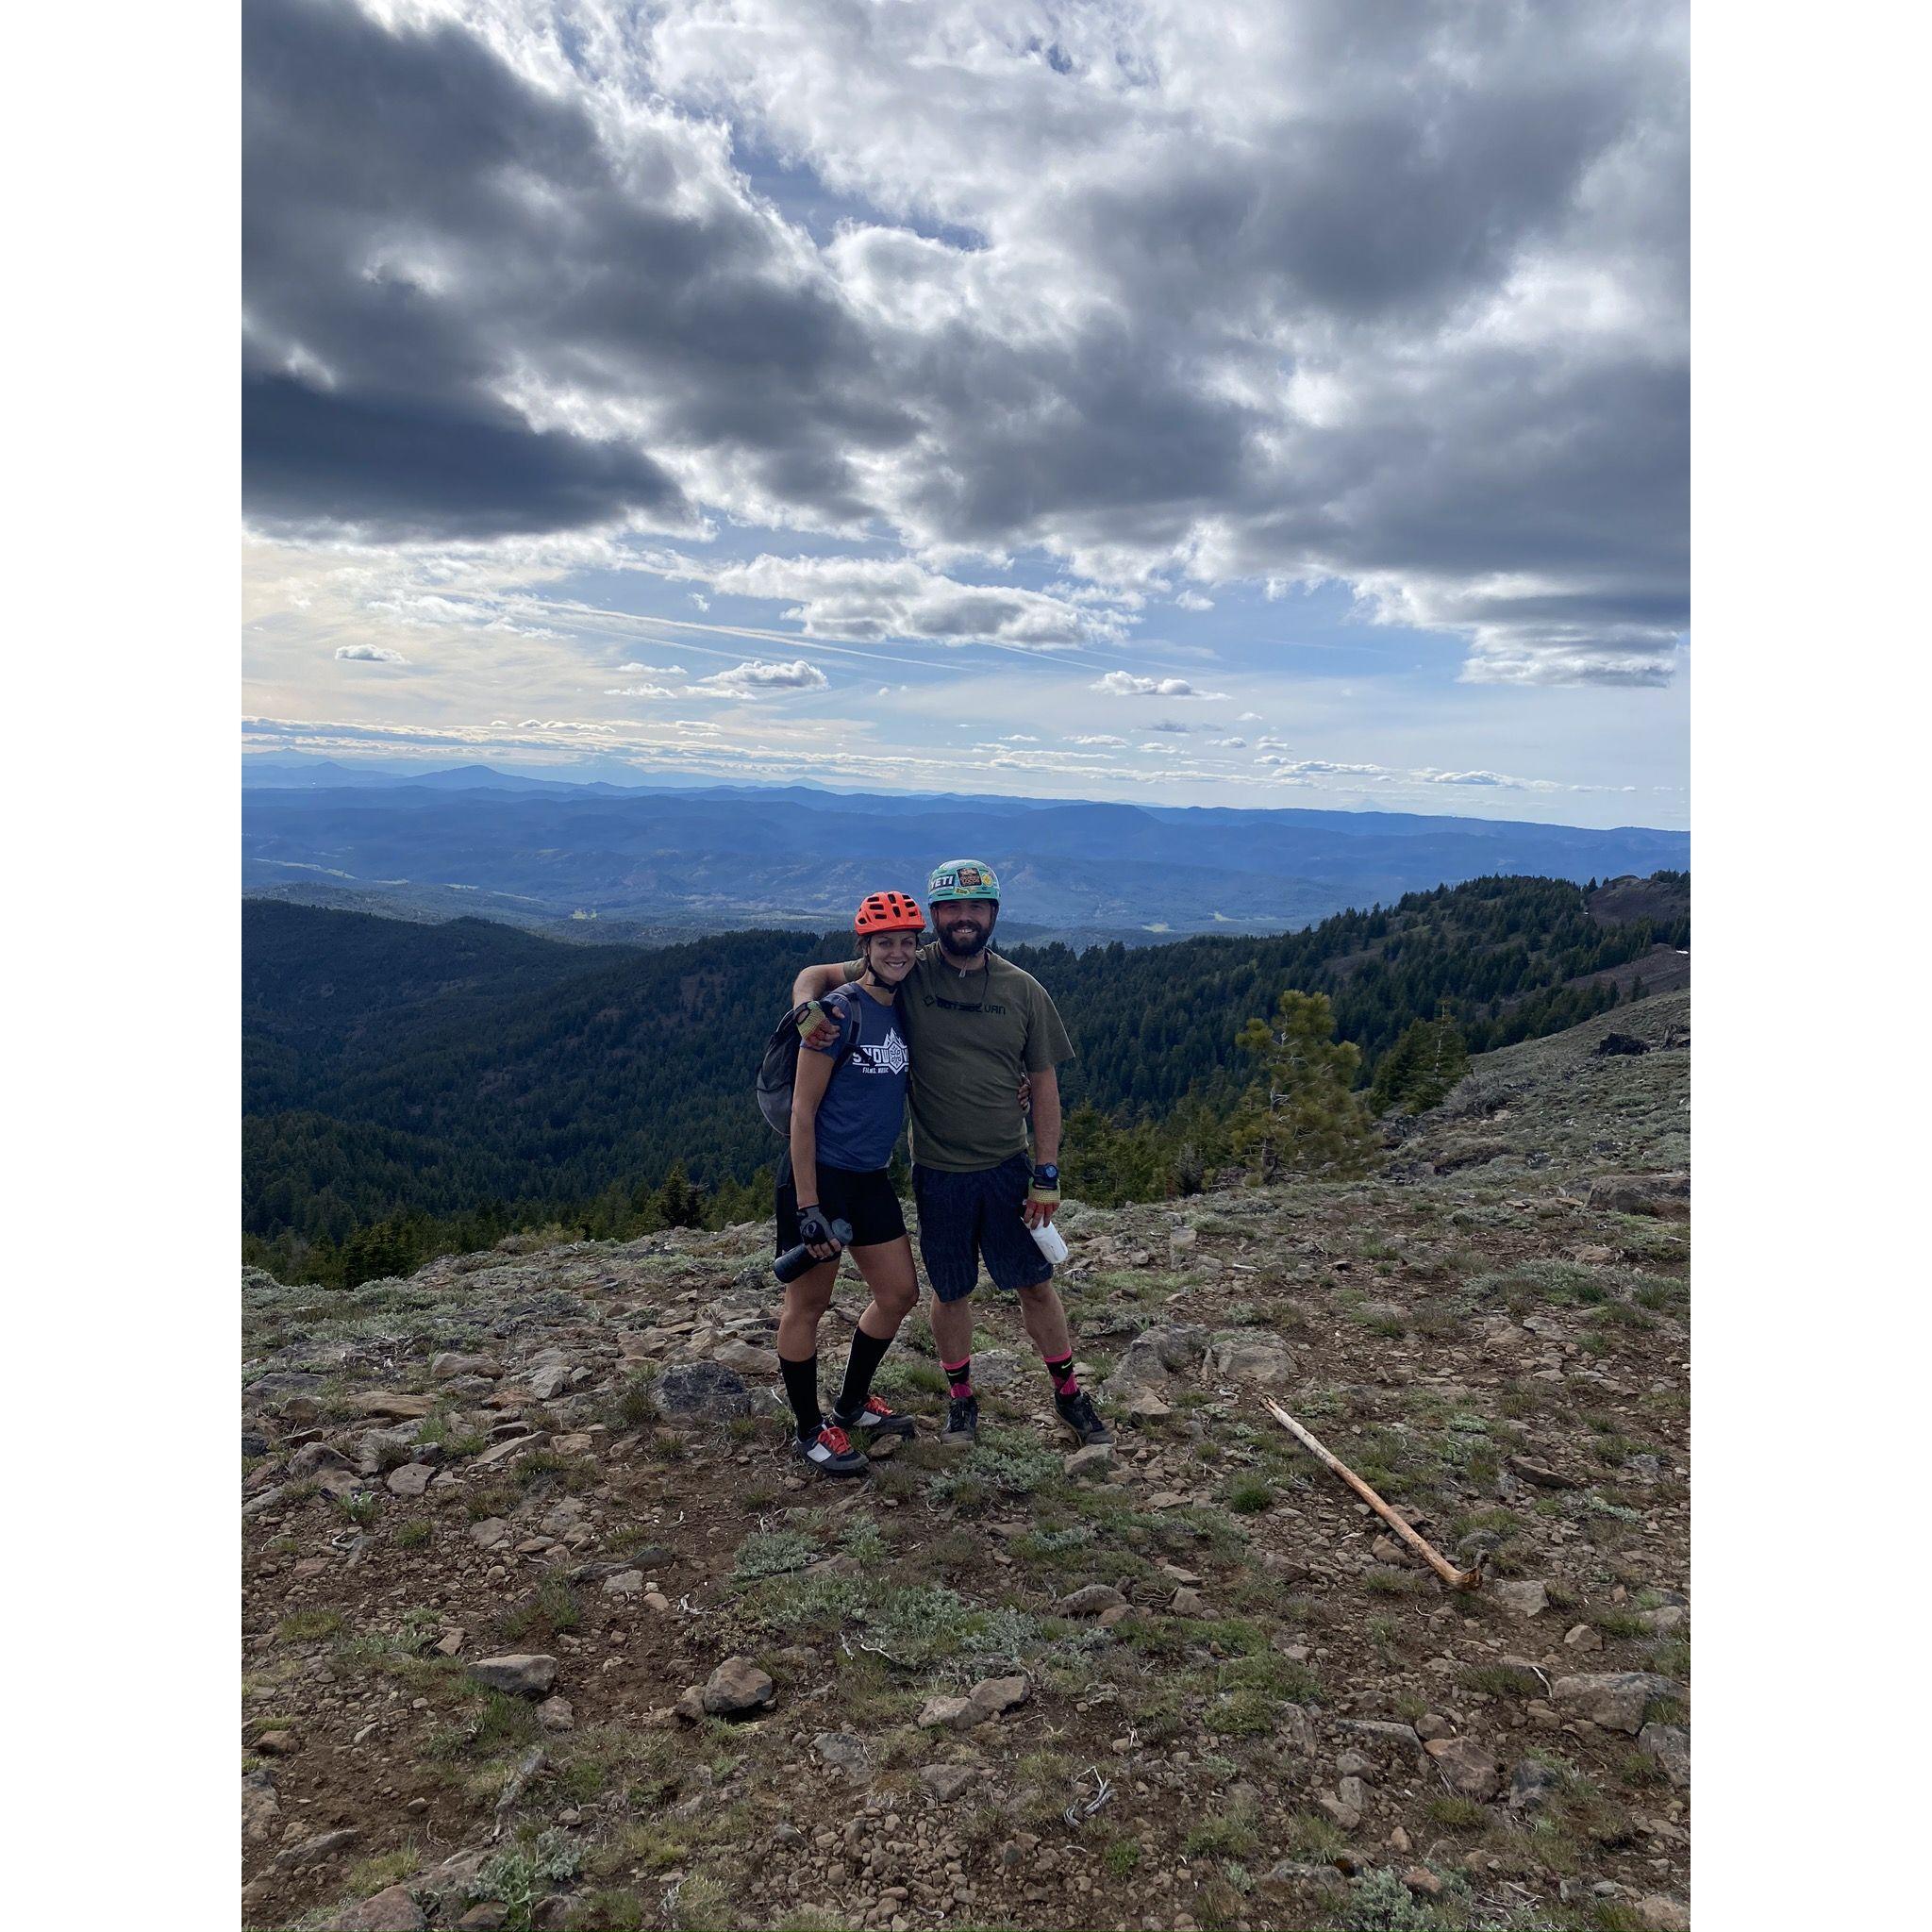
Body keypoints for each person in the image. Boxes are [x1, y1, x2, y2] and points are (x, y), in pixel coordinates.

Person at [791, 859, 1110, 1451]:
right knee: (951, 1291)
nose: (964, 919)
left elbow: (1043, 1086)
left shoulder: (1022, 990)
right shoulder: (910, 968)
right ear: (936, 916)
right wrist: (805, 1004)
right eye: (951, 910)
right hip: (937, 1171)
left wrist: (1046, 1171)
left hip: (1009, 1167)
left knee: (1035, 1285)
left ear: (993, 914)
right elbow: (819, 973)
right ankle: (961, 1401)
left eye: (976, 908)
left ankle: (1068, 1393)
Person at [776, 890, 926, 1475]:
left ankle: (852, 1404)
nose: (897, 952)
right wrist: (809, 1206)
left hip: (869, 1176)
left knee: (898, 1294)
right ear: (864, 947)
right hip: (820, 1177)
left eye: (906, 942)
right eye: (884, 942)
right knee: (808, 1303)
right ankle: (809, 1431)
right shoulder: (836, 1014)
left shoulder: (907, 991)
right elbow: (802, 1112)